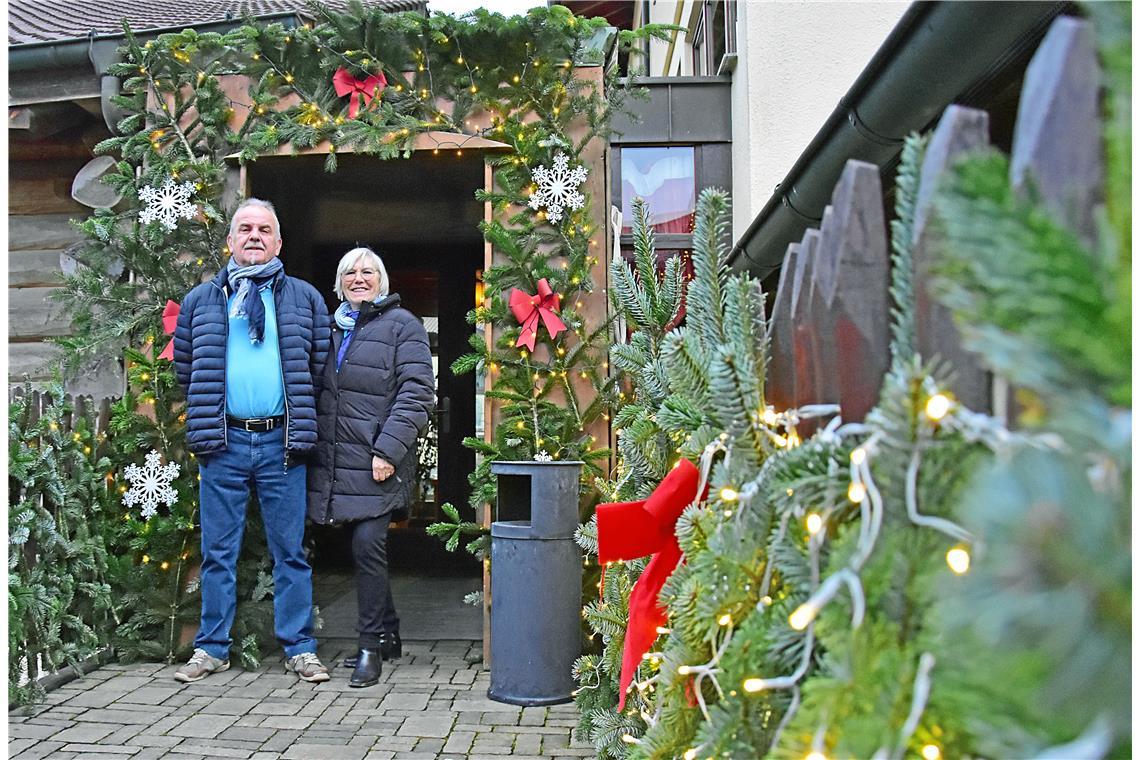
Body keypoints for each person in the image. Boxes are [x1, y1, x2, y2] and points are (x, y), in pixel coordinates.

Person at [172, 198, 332, 684]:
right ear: (230, 240)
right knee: (219, 552)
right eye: (245, 228)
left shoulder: (303, 298)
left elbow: (319, 366)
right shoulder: (202, 300)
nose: (255, 236)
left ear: (279, 242)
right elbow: (186, 368)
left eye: (265, 229)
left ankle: (300, 648)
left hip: (282, 443)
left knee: (291, 552)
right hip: (224, 444)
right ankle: (211, 648)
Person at [307, 246, 435, 688]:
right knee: (355, 548)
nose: (358, 278)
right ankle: (391, 629)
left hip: (379, 460)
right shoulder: (327, 329)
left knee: (366, 546)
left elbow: (417, 394)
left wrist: (388, 450)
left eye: (368, 271)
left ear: (382, 280)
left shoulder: (403, 326)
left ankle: (369, 646)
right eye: (350, 272)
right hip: (335, 463)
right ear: (339, 282)